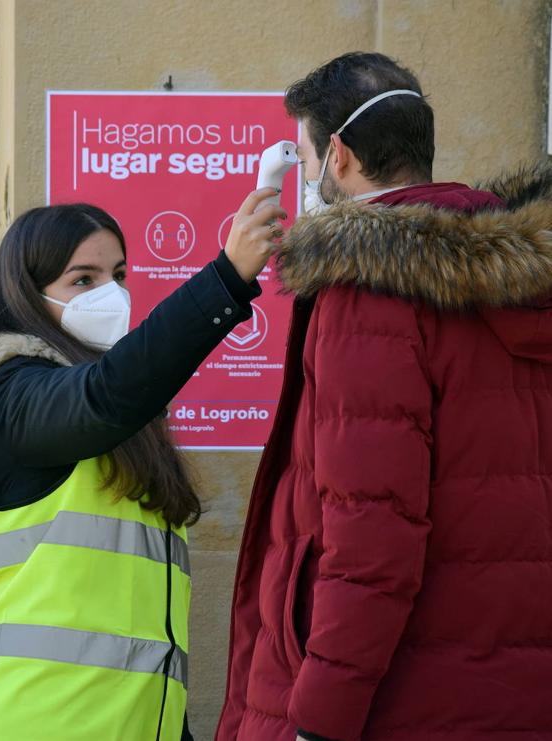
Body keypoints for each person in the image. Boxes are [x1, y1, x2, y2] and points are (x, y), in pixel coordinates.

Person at [216, 51, 552, 741]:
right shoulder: (524, 271)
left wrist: (319, 719)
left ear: (336, 155)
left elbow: (371, 533)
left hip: (400, 708)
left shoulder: (368, 288)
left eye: (308, 154)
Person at [0, 190, 286, 741]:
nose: (108, 294)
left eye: (118, 275)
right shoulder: (6, 393)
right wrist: (225, 279)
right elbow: (106, 397)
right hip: (22, 721)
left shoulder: (114, 421)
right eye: (82, 280)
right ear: (28, 295)